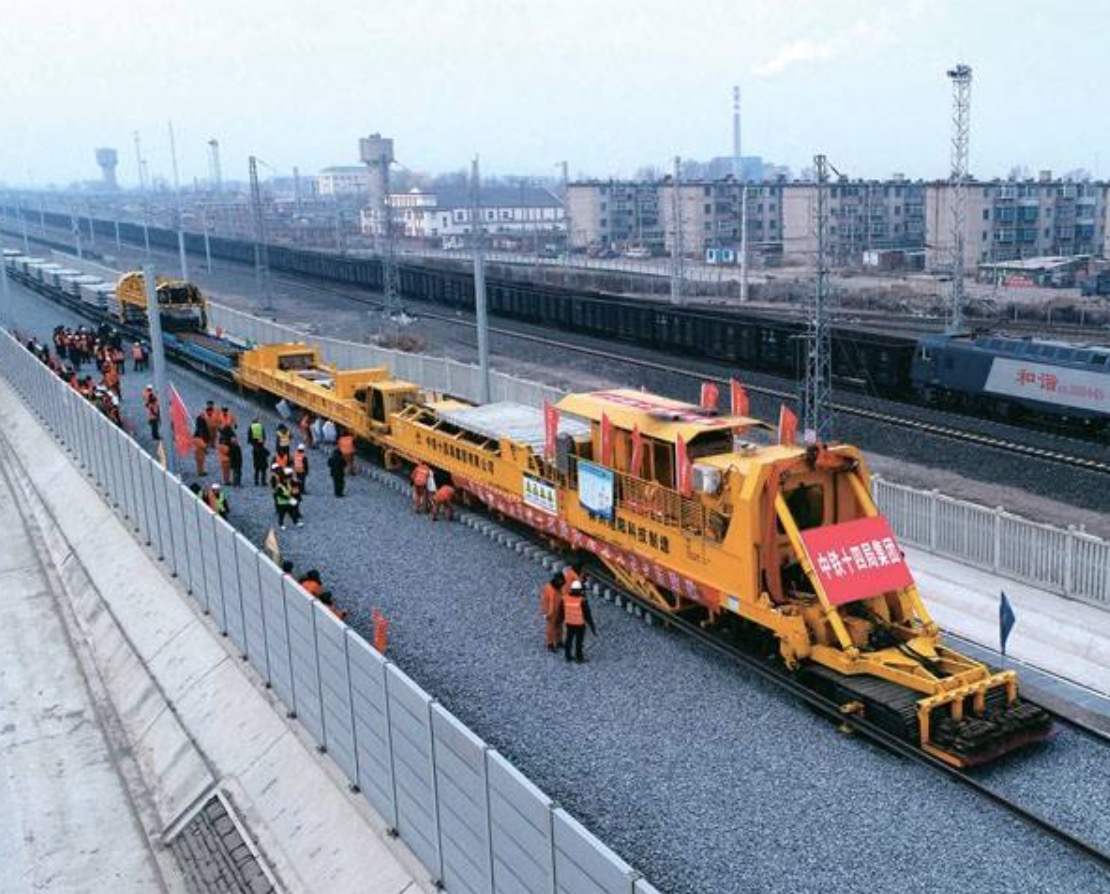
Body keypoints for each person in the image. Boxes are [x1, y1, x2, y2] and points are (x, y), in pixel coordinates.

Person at [562, 580, 597, 664]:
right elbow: (587, 615)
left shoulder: (565, 598)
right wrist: (592, 626)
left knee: (569, 639)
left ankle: (567, 656)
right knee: (579, 641)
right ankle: (579, 657)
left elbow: (562, 611)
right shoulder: (582, 600)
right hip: (579, 624)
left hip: (569, 623)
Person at [541, 572, 566, 652]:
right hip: (551, 612)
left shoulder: (555, 587)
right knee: (551, 628)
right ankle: (550, 644)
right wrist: (547, 613)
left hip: (558, 610)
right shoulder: (551, 589)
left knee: (559, 626)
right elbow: (549, 603)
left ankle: (559, 641)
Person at [192, 411, 210, 477]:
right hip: (199, 443)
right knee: (200, 460)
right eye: (203, 415)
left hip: (199, 442)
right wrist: (205, 447)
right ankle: (200, 472)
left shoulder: (201, 424)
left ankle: (201, 471)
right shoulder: (201, 426)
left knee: (201, 460)